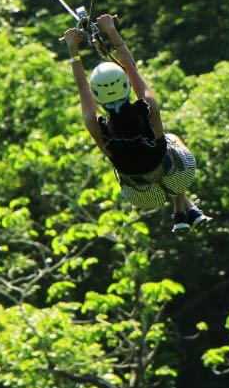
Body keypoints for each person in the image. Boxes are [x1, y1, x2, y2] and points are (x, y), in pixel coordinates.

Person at [63, 13, 211, 232]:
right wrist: (111, 30)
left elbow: (82, 88)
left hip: (141, 194)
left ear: (98, 95)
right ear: (125, 87)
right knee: (170, 141)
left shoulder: (97, 126)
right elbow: (131, 68)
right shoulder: (148, 107)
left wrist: (72, 49)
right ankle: (183, 209)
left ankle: (184, 213)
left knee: (154, 163)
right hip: (179, 175)